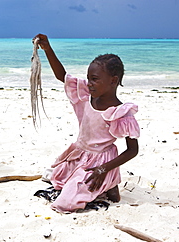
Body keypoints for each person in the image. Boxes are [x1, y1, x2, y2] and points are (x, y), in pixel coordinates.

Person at [33, 34, 139, 213]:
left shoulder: (121, 113)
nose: (89, 84)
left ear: (113, 80)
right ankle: (106, 185)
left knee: (65, 203)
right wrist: (48, 49)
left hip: (101, 162)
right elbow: (63, 76)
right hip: (79, 154)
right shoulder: (86, 96)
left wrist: (103, 169)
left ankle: (109, 181)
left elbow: (132, 150)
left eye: (95, 79)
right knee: (54, 178)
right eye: (88, 78)